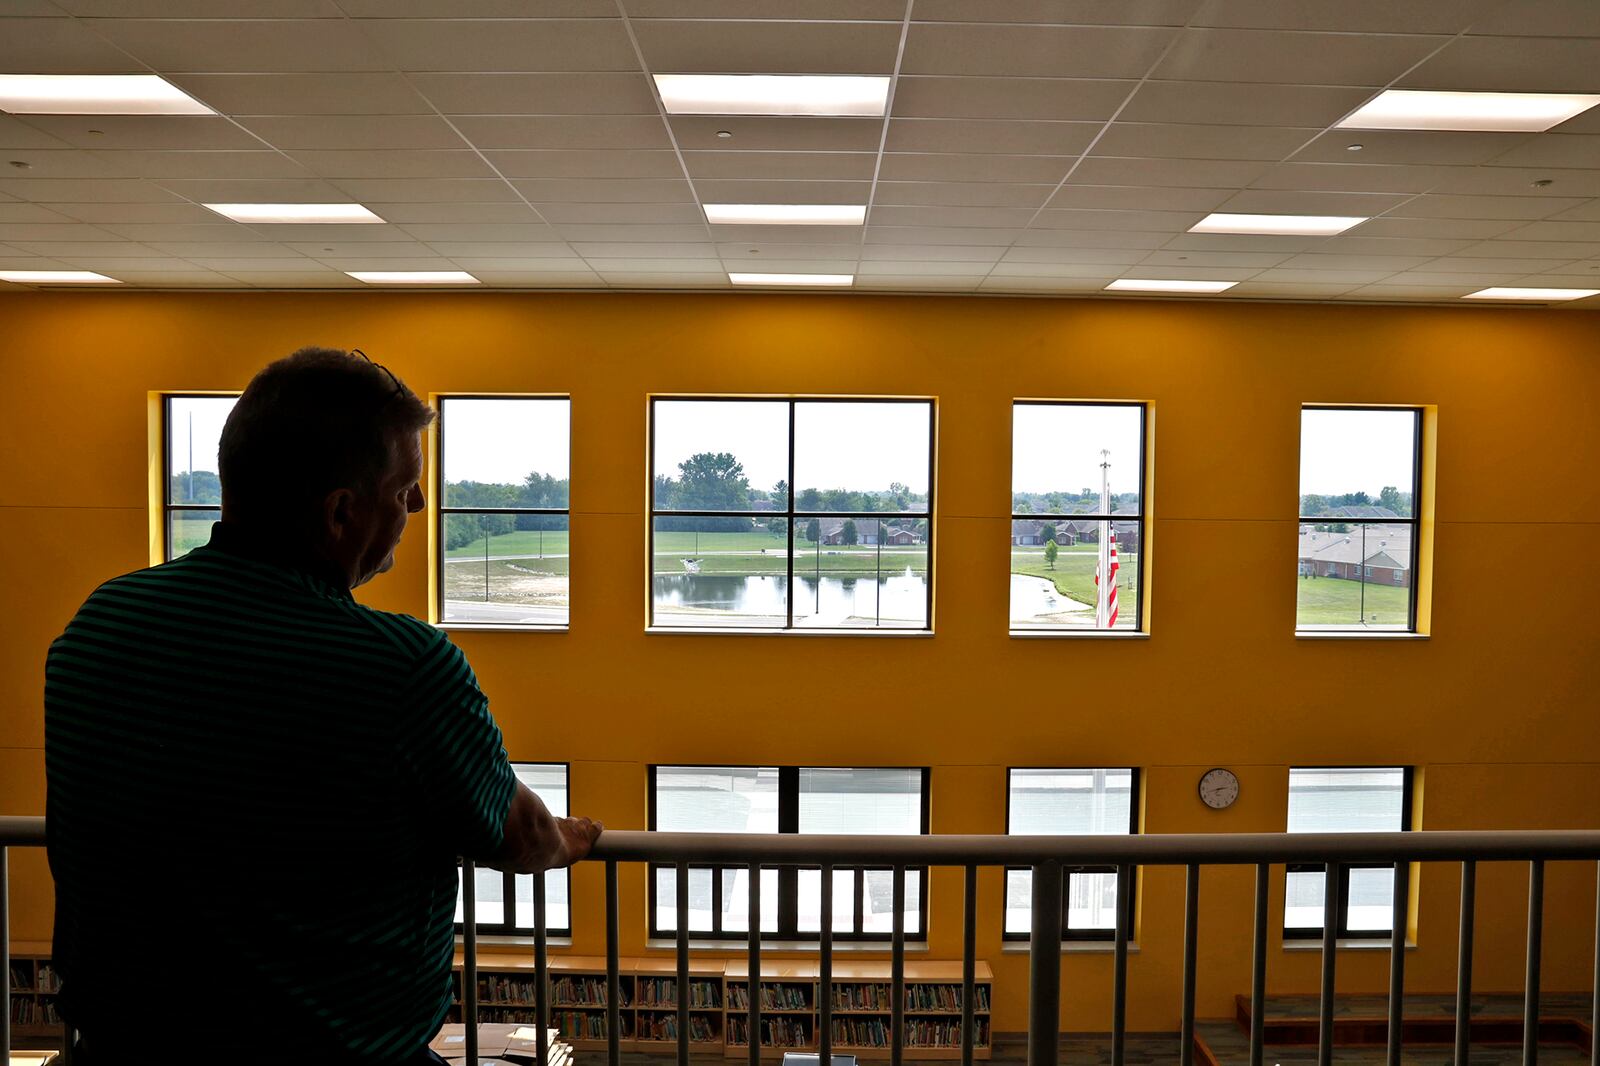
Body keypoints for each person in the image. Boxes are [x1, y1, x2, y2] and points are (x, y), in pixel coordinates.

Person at [44, 347, 601, 1064]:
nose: (421, 508)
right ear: (341, 512)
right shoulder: (402, 666)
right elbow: (517, 834)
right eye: (405, 490)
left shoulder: (103, 622)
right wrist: (575, 836)